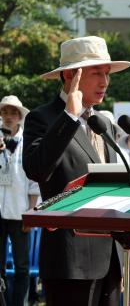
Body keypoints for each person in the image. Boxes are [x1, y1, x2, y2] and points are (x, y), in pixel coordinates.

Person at [22, 35, 130, 306]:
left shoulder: (103, 122)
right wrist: (70, 117)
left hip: (111, 259)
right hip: (70, 261)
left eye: (107, 73)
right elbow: (37, 170)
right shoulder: (42, 118)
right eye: (96, 73)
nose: (105, 81)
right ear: (71, 75)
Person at [0, 96, 40, 306]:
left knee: (22, 266)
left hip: (20, 212)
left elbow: (33, 181)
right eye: (5, 112)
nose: (8, 117)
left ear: (19, 117)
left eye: (13, 113)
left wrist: (32, 211)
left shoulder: (27, 142)